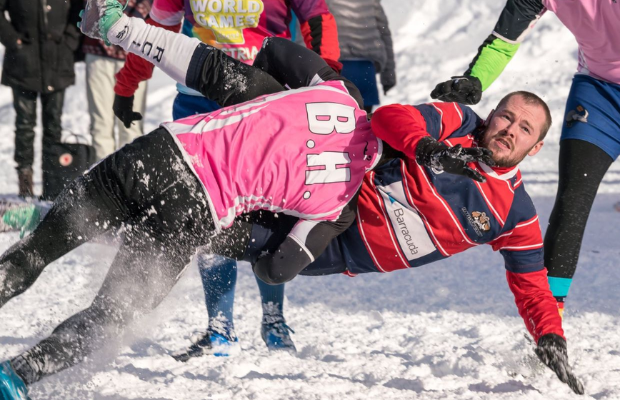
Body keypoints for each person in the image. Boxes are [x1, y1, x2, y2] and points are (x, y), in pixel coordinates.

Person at [0, 3, 378, 398]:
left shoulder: (330, 92)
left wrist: (119, 30)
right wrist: (233, 232)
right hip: (196, 215)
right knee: (112, 314)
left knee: (35, 252)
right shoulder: (338, 206)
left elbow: (211, 62)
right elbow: (276, 269)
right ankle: (16, 376)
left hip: (159, 155)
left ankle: (220, 326)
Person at [430, 0, 620, 365]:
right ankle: (547, 330)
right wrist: (475, 80)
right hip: (600, 95)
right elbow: (503, 40)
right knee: (571, 207)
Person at [112, 0, 343, 354]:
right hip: (198, 103)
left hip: (265, 101)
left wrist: (327, 80)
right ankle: (220, 329)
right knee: (204, 213)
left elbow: (317, 16)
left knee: (269, 213)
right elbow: (158, 32)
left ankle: (274, 320)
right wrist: (128, 84)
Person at [0, 0, 89, 200]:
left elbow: (80, 9)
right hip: (23, 62)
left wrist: (70, 40)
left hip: (57, 59)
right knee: (24, 125)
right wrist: (13, 41)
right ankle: (25, 184)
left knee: (53, 125)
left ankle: (52, 184)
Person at [83, 0, 152, 162]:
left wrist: (123, 28)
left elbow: (155, 8)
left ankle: (129, 180)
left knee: (131, 126)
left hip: (135, 52)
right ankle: (104, 182)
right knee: (100, 125)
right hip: (98, 53)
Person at [327, 0, 396, 113]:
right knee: (363, 122)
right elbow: (384, 34)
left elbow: (312, 28)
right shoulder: (372, 2)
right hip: (366, 70)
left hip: (337, 67)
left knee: (338, 120)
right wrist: (388, 76)